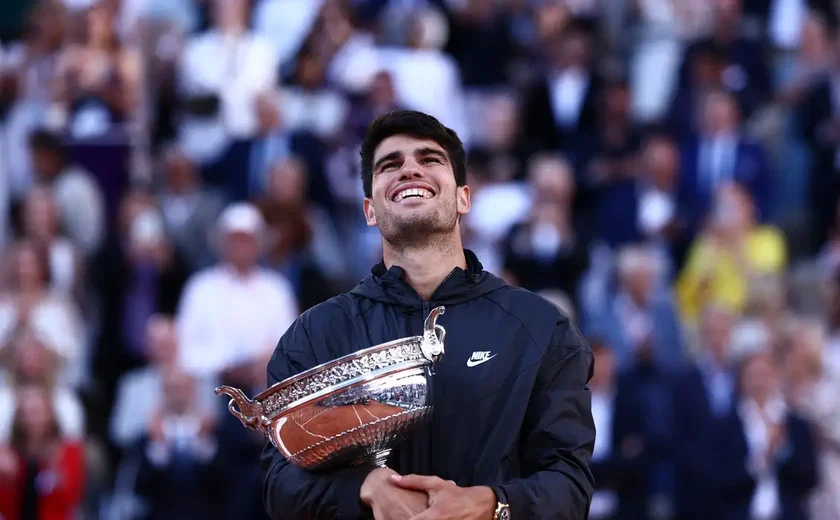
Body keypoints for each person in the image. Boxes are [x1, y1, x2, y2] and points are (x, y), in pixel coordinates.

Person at [260, 110, 595, 519]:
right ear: (369, 209)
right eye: (390, 164)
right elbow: (280, 485)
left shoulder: (541, 327)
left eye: (429, 159)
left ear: (463, 198)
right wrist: (363, 488)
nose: (409, 170)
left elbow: (569, 484)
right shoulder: (314, 335)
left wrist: (489, 504)